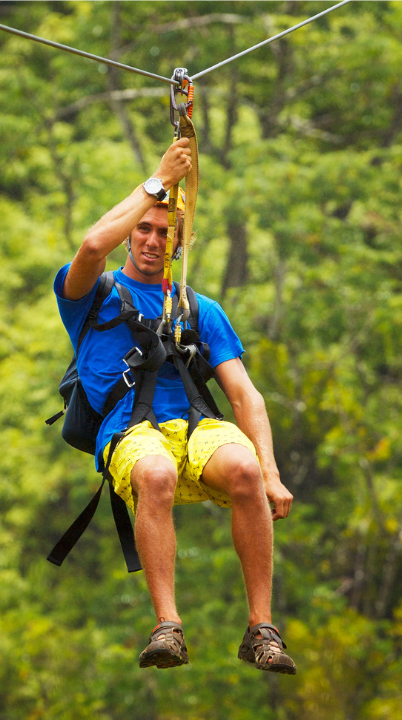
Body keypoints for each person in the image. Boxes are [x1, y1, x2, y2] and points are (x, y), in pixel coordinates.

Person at [55, 139, 297, 674]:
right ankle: (168, 626)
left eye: (166, 233)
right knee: (157, 474)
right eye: (144, 228)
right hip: (129, 431)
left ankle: (262, 628)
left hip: (193, 425)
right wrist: (160, 181)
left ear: (179, 246)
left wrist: (271, 472)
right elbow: (93, 244)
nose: (152, 239)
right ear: (131, 231)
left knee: (244, 469)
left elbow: (244, 395)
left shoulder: (197, 308)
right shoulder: (91, 295)